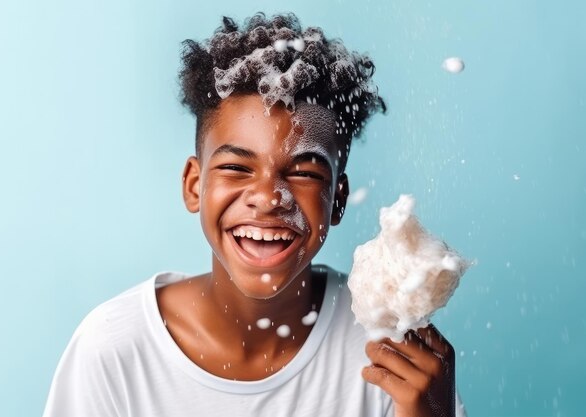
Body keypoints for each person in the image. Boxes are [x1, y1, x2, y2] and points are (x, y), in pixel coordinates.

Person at [43, 12, 465, 417]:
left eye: (303, 171)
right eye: (236, 167)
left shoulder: (385, 349)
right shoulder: (115, 351)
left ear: (337, 200)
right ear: (195, 185)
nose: (268, 197)